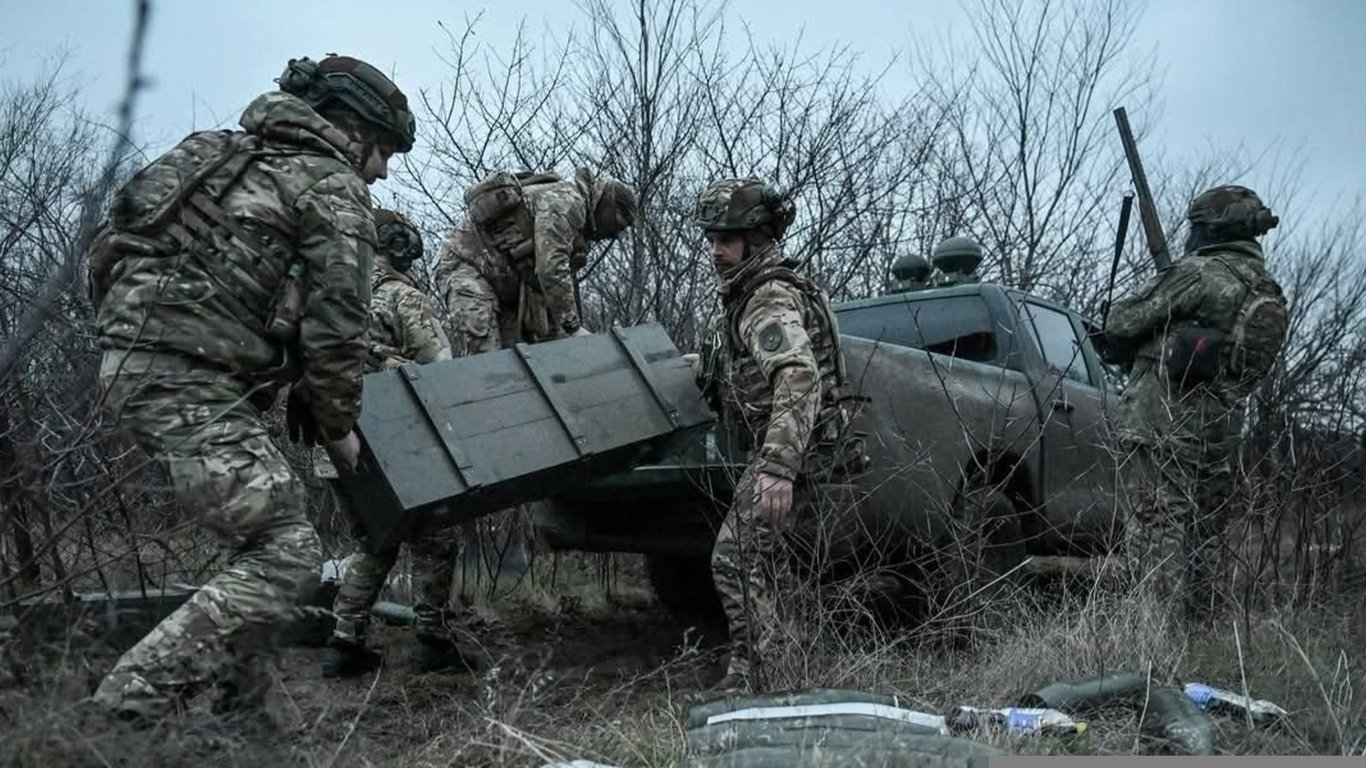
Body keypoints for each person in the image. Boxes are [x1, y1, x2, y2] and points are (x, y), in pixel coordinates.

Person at [85, 54, 415, 720]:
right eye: (381, 151)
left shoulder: (215, 153)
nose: (380, 170)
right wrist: (339, 425)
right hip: (190, 380)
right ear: (349, 128)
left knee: (264, 536)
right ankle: (123, 709)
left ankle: (244, 710)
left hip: (140, 363)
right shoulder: (329, 182)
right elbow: (339, 322)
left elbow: (106, 250)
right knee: (289, 555)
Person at [691, 177, 854, 693]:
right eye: (711, 239)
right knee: (764, 564)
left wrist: (778, 468)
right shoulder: (752, 293)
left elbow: (798, 376)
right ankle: (766, 670)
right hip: (787, 446)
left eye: (727, 239)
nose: (715, 250)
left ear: (756, 239)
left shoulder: (765, 297)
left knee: (735, 557)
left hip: (789, 452)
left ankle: (759, 680)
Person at [1101, 184, 1287, 617]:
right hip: (1220, 426)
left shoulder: (1200, 273)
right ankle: (1200, 626)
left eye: (1194, 227)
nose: (1188, 237)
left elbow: (1121, 321)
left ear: (1211, 230)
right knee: (1204, 529)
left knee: (1156, 520)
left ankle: (1156, 632)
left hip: (1165, 419)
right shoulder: (1263, 286)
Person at [318, 209, 477, 677]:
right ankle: (432, 639)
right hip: (400, 445)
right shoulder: (403, 298)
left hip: (334, 441)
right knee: (437, 539)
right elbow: (438, 371)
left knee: (373, 541)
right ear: (401, 248)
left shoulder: (332, 299)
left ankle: (344, 643)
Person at [435, 167, 637, 352]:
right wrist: (573, 327)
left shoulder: (579, 234)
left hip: (502, 283)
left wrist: (554, 332)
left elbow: (544, 287)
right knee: (486, 352)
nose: (612, 234)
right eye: (616, 224)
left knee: (517, 356)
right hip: (464, 263)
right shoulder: (568, 202)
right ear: (608, 206)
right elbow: (551, 267)